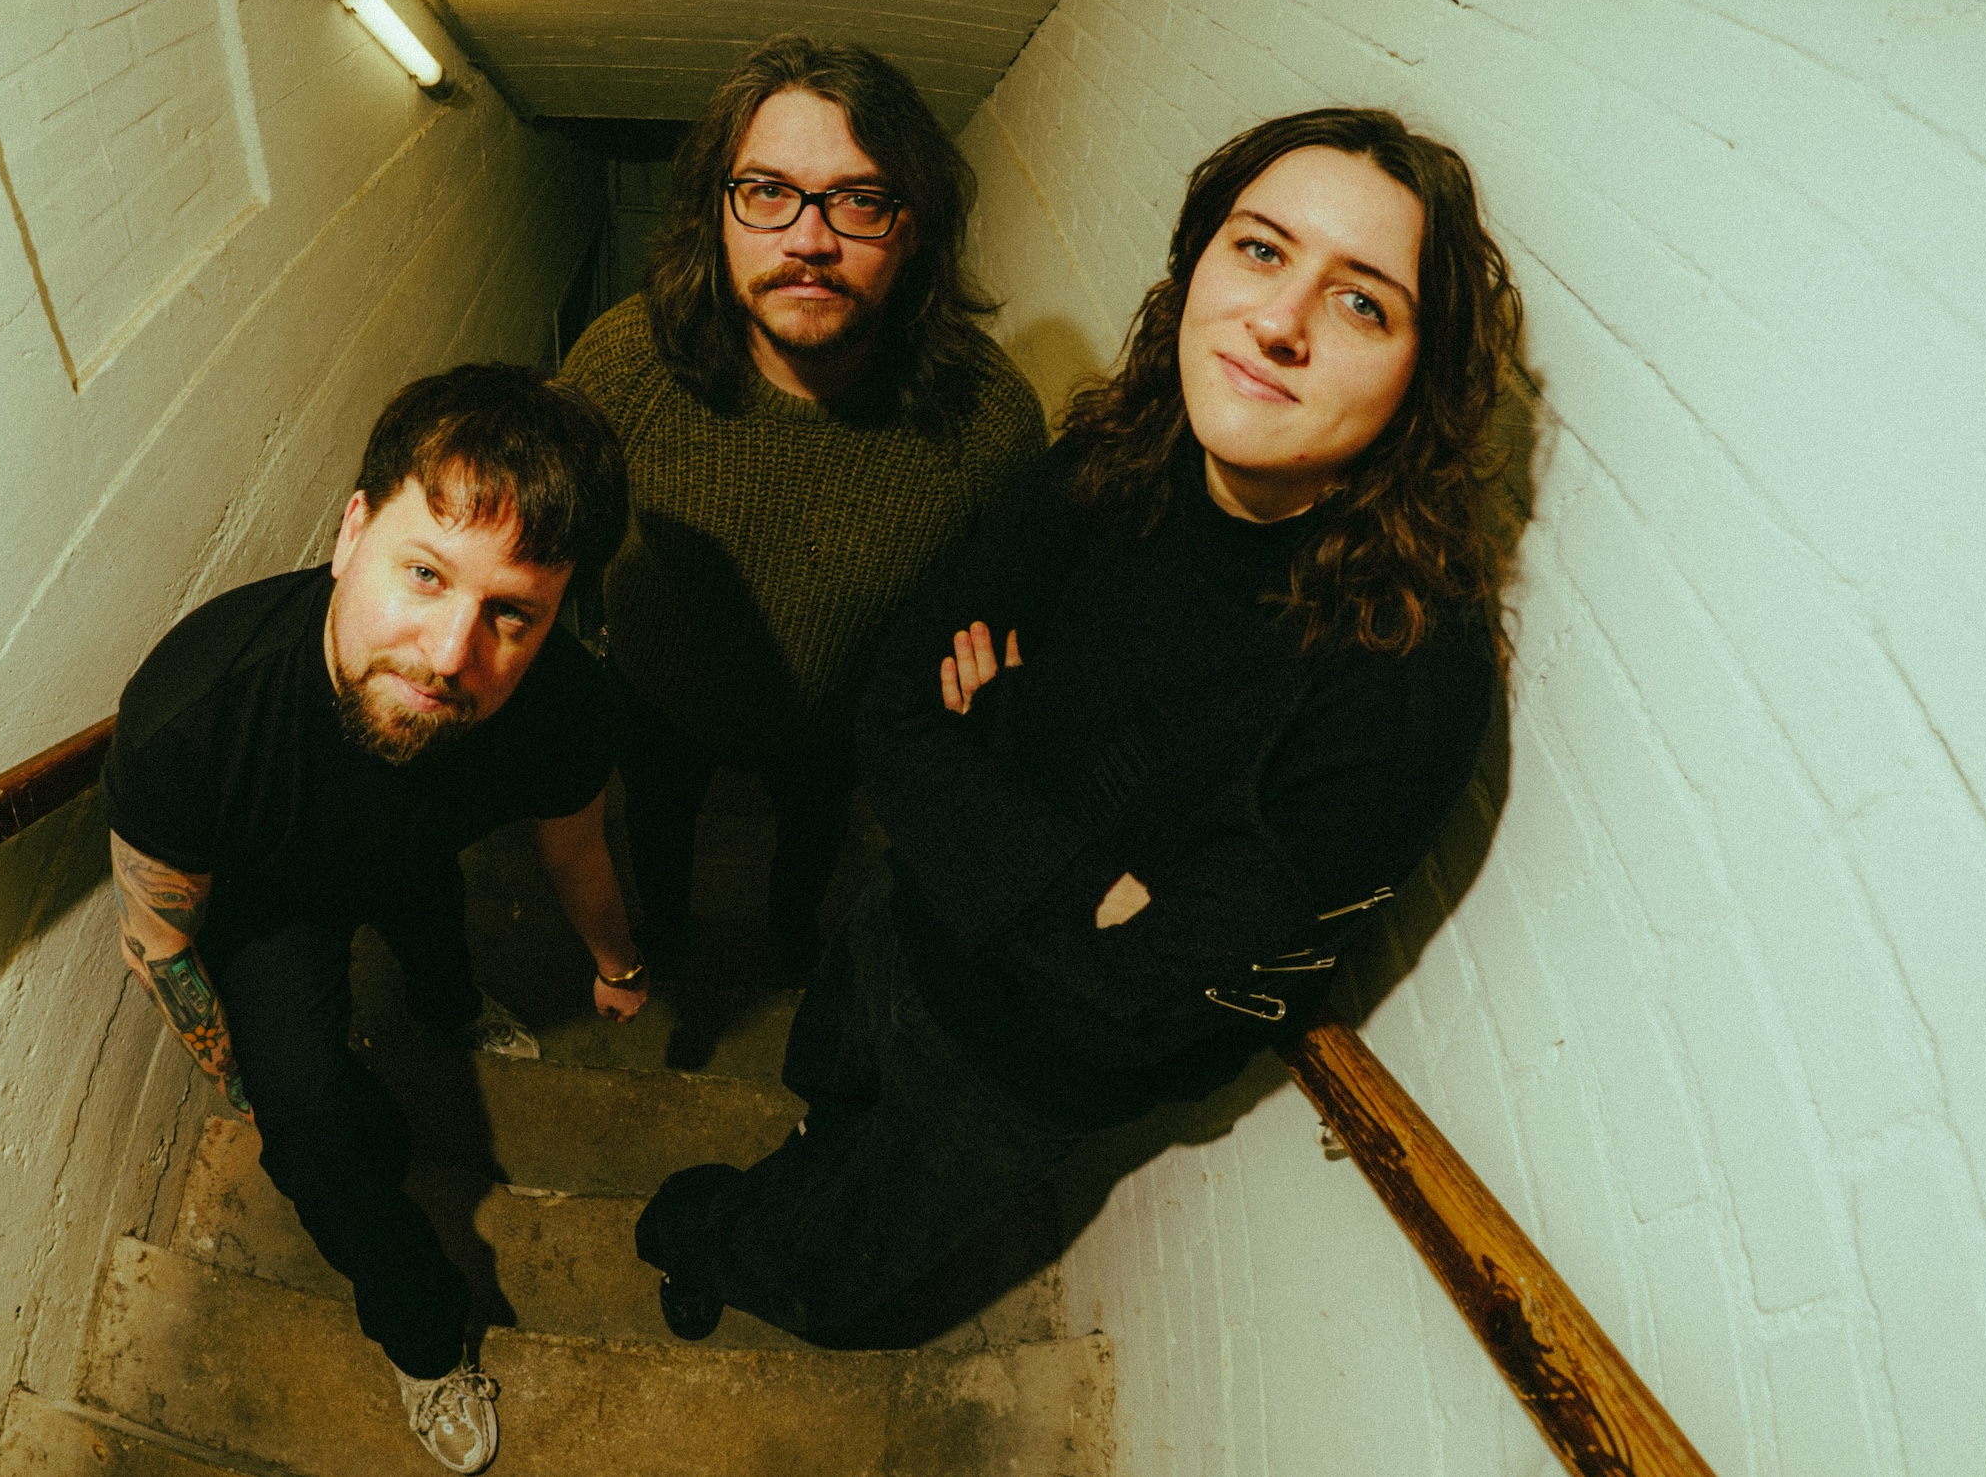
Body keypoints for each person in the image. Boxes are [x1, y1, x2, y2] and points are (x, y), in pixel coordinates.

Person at [635, 107, 1520, 1344]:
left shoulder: (1404, 675)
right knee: (832, 1080)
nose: (1280, 322)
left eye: (1362, 301)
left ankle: (687, 1232)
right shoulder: (1116, 458)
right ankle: (814, 1143)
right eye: (1260, 249)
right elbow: (893, 709)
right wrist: (1091, 880)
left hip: (1013, 1075)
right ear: (1197, 263)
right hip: (902, 919)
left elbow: (1136, 999)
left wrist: (983, 749)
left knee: (831, 1285)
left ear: (1422, 375)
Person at [102, 364, 643, 1473]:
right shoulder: (195, 720)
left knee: (432, 919)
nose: (449, 654)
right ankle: (425, 1338)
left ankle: (451, 1005)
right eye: (425, 574)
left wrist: (616, 963)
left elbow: (573, 845)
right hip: (276, 900)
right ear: (353, 531)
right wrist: (260, 1085)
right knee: (316, 1142)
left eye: (510, 613)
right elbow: (158, 942)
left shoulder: (563, 704)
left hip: (419, 851)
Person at [560, 35, 1046, 988]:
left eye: (860, 200)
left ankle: (792, 948)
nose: (810, 239)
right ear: (716, 213)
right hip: (656, 699)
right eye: (767, 191)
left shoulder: (987, 421)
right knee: (657, 833)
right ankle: (667, 937)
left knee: (811, 855)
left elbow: (1006, 600)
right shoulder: (625, 366)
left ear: (915, 228)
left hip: (836, 726)